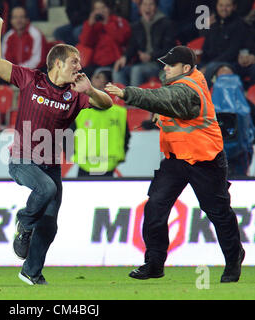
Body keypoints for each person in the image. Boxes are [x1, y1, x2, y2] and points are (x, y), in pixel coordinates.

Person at [0, 11, 113, 285]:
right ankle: (24, 223)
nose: (79, 66)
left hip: (51, 164)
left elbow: (108, 104)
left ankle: (31, 272)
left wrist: (91, 90)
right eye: (73, 61)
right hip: (21, 159)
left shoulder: (76, 94)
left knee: (51, 224)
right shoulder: (31, 79)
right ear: (56, 63)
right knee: (46, 189)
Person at [105, 45, 245, 283]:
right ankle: (154, 264)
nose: (165, 68)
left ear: (187, 68)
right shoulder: (179, 82)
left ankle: (233, 259)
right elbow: (165, 99)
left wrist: (126, 93)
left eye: (170, 65)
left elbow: (163, 98)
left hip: (205, 159)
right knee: (155, 208)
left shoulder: (189, 90)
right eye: (165, 64)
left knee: (218, 214)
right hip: (176, 158)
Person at [73, 68, 130, 176]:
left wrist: (120, 156)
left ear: (108, 83)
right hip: (84, 164)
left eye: (99, 77)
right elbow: (68, 135)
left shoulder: (119, 113)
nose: (93, 80)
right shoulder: (79, 111)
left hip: (109, 165)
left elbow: (126, 137)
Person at [112, 0, 175, 87]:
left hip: (159, 65)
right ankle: (121, 99)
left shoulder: (166, 24)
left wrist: (150, 56)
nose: (147, 7)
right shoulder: (137, 26)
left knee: (137, 70)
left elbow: (170, 50)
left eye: (151, 4)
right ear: (140, 8)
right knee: (118, 70)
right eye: (144, 4)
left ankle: (134, 100)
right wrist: (124, 57)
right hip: (141, 64)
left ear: (156, 7)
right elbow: (132, 46)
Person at [78, 0, 131, 78]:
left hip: (114, 62)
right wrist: (89, 25)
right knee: (77, 76)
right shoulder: (93, 24)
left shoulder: (118, 21)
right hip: (97, 63)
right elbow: (85, 43)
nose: (101, 11)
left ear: (109, 9)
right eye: (97, 9)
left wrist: (106, 23)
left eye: (103, 8)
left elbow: (121, 39)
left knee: (101, 77)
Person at [200, 0, 247, 86]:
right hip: (209, 62)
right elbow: (206, 47)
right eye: (221, 5)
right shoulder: (213, 23)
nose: (224, 9)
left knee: (214, 70)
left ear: (234, 7)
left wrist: (207, 66)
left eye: (227, 6)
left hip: (229, 63)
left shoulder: (239, 24)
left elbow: (232, 52)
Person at [2, 6, 48, 70]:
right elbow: (4, 59)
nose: (18, 20)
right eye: (15, 17)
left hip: (33, 72)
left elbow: (37, 60)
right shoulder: (8, 36)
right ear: (11, 20)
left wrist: (19, 71)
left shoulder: (35, 34)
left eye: (21, 17)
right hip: (14, 72)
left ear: (27, 19)